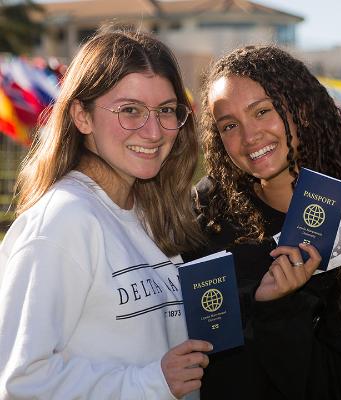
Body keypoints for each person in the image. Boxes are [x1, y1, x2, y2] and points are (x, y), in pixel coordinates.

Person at [0, 28, 212, 400]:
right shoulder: (62, 221)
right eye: (129, 110)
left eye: (165, 110)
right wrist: (151, 383)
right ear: (82, 116)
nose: (153, 131)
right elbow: (18, 382)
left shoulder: (148, 216)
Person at [186, 44, 341, 399]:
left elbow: (331, 388)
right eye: (229, 125)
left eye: (262, 111)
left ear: (301, 108)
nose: (249, 136)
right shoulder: (207, 211)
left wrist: (279, 307)